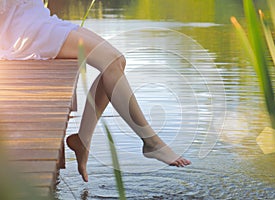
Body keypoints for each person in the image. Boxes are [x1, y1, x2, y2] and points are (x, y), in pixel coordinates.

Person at [0, 0, 191, 182]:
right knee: (111, 60)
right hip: (24, 33)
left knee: (117, 61)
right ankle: (152, 143)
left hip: (39, 19)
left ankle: (82, 141)